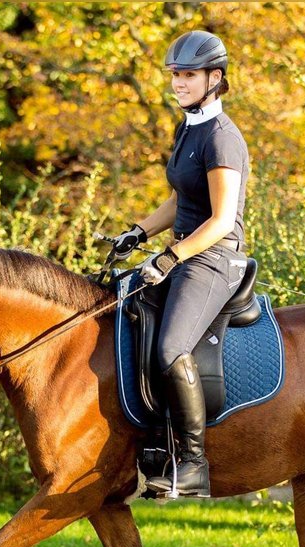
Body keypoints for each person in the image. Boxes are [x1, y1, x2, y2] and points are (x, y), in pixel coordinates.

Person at [108, 29, 251, 499]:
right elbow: (181, 198)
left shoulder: (223, 139)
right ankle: (152, 445)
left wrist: (170, 257)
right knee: (128, 314)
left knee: (171, 347)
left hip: (213, 258)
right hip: (185, 253)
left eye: (188, 75)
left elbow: (221, 219)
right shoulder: (187, 127)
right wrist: (139, 232)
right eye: (174, 75)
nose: (178, 84)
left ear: (215, 77)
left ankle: (192, 463)